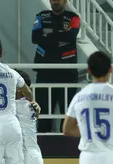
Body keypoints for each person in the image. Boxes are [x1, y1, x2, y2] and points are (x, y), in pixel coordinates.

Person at [32, 0, 80, 132]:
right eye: (52, 0)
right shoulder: (41, 16)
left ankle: (67, 150)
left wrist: (47, 35)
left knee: (67, 115)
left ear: (64, 1)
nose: (55, 2)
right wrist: (60, 35)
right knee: (43, 115)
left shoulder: (74, 18)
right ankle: (44, 150)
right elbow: (35, 38)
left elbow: (70, 36)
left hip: (67, 73)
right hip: (44, 72)